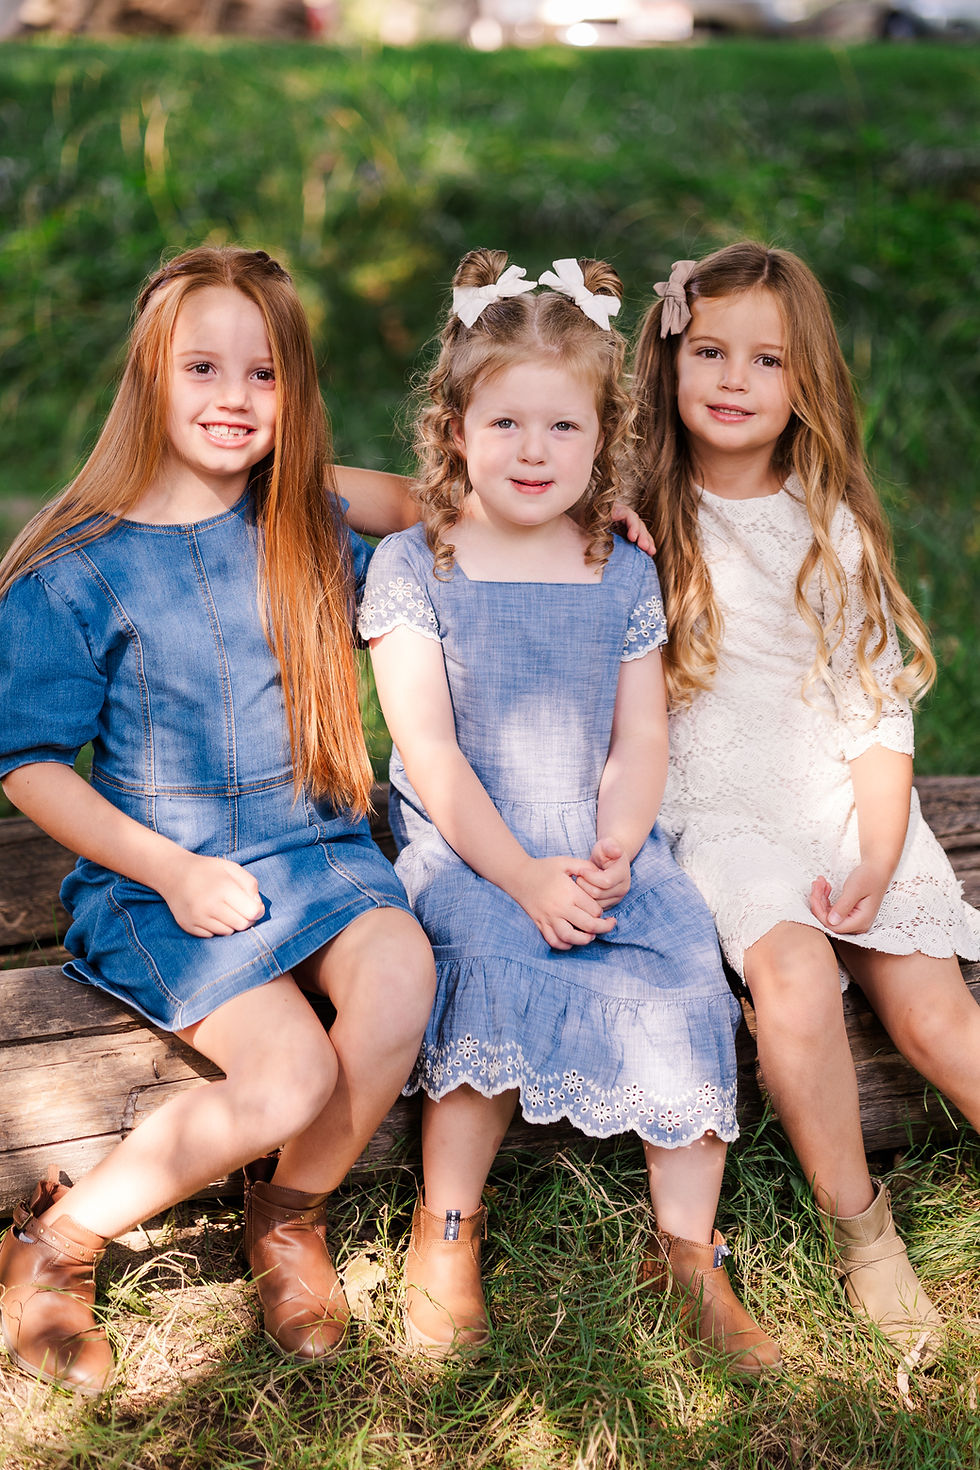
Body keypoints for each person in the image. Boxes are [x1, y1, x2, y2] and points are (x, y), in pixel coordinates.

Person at [0, 246, 437, 1394]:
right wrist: (172, 872)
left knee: (401, 975)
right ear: (149, 375)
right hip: (165, 878)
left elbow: (439, 502)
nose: (234, 397)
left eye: (264, 374)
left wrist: (598, 505)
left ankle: (287, 1215)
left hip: (320, 854)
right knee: (289, 1078)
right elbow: (27, 763)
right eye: (202, 368)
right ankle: (55, 1243)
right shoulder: (78, 568)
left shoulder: (303, 524)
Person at [358, 248, 781, 1375]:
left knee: (682, 962)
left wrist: (615, 847)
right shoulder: (416, 564)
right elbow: (430, 754)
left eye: (562, 428)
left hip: (594, 838)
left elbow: (639, 738)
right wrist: (522, 876)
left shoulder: (617, 568)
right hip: (470, 848)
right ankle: (447, 1229)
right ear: (455, 430)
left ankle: (687, 1252)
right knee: (490, 962)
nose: (533, 452)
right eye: (504, 425)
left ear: (604, 442)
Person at [632, 241, 980, 1366]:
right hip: (719, 817)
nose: (733, 379)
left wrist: (878, 851)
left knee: (933, 1018)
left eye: (767, 360)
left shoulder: (827, 523)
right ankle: (862, 1230)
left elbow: (874, 707)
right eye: (708, 351)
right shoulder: (633, 513)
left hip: (840, 804)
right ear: (668, 358)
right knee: (790, 976)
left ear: (805, 383)